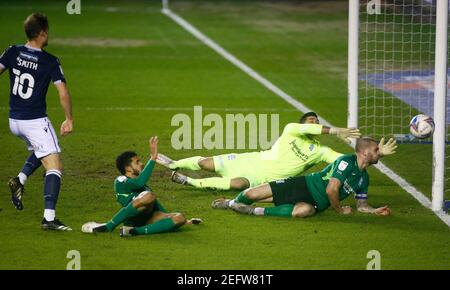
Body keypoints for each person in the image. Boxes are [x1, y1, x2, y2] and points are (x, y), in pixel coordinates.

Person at [157, 112, 396, 191]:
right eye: (310, 120)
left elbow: (351, 160)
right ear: (304, 123)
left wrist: (378, 153)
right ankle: (173, 163)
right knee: (205, 163)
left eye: (316, 121)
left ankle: (188, 182)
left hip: (263, 177)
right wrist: (337, 131)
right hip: (251, 159)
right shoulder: (291, 129)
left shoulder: (319, 151)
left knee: (238, 184)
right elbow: (302, 125)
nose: (312, 123)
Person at [0, 13, 73, 230]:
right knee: (55, 165)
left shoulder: (12, 51)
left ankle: (20, 180)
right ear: (41, 33)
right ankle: (49, 219)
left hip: (15, 121)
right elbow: (63, 94)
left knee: (43, 148)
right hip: (34, 121)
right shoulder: (50, 61)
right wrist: (69, 118)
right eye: (47, 31)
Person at [225, 137, 391, 218]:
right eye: (377, 150)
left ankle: (254, 211)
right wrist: (339, 210)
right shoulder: (346, 162)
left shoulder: (364, 179)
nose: (380, 153)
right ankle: (229, 203)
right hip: (303, 185)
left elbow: (361, 205)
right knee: (251, 194)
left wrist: (373, 210)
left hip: (315, 203)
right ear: (364, 152)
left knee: (303, 211)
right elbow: (331, 189)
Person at [82, 137, 201, 237]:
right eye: (137, 162)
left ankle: (133, 232)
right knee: (149, 196)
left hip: (149, 219)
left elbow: (156, 206)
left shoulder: (145, 187)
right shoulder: (121, 181)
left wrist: (180, 220)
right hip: (134, 219)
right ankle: (109, 226)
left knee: (180, 217)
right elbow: (139, 184)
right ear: (128, 168)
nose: (141, 164)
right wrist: (153, 158)